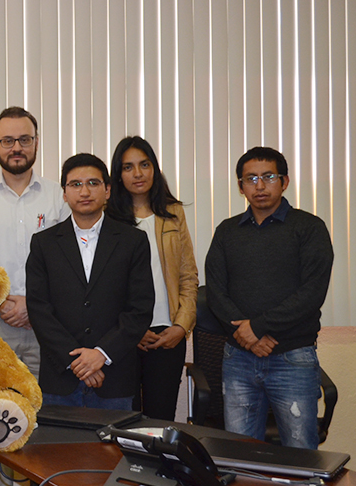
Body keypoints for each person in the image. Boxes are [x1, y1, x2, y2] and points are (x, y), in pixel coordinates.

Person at [205, 146, 333, 449]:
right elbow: (215, 291)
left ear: (284, 181)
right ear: (240, 187)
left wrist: (259, 327)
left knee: (300, 454)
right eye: (250, 179)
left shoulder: (309, 228)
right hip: (238, 359)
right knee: (240, 452)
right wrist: (246, 335)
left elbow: (312, 292)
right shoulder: (227, 231)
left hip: (292, 358)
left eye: (268, 177)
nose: (259, 186)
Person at [26, 153, 153, 409]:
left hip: (114, 377)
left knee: (113, 450)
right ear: (64, 193)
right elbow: (39, 309)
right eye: (75, 184)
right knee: (61, 448)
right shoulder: (44, 243)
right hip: (60, 378)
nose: (84, 191)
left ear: (107, 190)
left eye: (93, 183)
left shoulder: (132, 241)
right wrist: (77, 361)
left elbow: (139, 309)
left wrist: (101, 355)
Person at [0, 106, 69, 378]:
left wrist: (33, 305)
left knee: (49, 409)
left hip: (49, 322)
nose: (16, 148)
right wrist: (0, 303)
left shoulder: (59, 195)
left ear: (36, 142)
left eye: (25, 139)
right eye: (7, 141)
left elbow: (69, 263)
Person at [106, 136, 198, 421]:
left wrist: (181, 326)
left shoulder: (173, 213)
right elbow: (103, 286)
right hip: (123, 337)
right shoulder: (108, 219)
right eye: (128, 167)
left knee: (161, 422)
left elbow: (188, 276)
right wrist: (129, 331)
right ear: (118, 175)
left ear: (154, 169)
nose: (137, 174)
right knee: (123, 422)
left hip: (167, 333)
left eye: (144, 165)